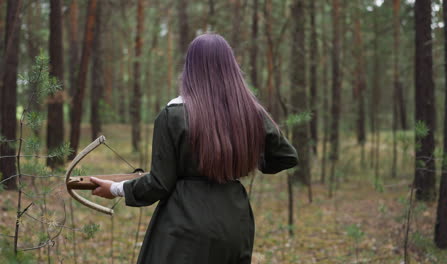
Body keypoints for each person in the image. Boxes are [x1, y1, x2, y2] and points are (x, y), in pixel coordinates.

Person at [90, 33, 298, 264]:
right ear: (231, 67)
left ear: (190, 69)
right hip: (234, 222)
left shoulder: (173, 115)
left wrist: (116, 189)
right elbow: (285, 156)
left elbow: (159, 183)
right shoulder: (250, 112)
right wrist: (237, 157)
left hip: (185, 226)